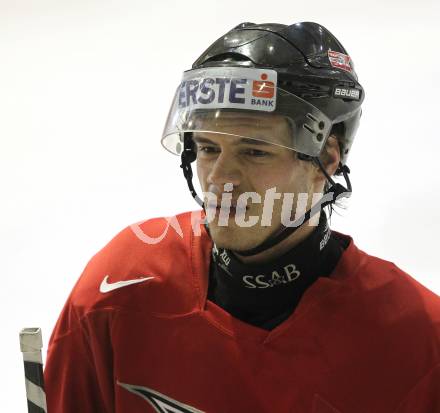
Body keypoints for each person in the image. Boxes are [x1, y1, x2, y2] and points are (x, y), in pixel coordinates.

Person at [44, 22, 440, 413]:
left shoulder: (419, 341)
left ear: (327, 160)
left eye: (255, 151)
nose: (220, 179)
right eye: (208, 148)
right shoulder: (123, 283)